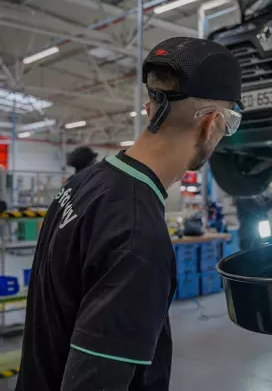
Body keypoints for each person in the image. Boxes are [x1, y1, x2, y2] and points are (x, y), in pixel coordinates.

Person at [15, 37, 243, 391]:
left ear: (152, 109)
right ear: (211, 124)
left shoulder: (84, 184)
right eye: (229, 125)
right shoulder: (139, 239)